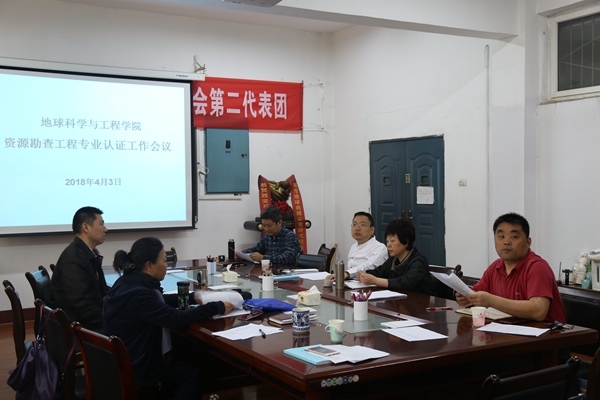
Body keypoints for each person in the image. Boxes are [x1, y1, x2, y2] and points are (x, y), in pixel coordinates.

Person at [103, 237, 237, 399]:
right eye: (164, 261)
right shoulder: (139, 295)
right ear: (149, 266)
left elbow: (159, 302)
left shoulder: (128, 282)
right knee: (192, 374)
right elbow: (177, 319)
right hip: (140, 372)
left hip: (126, 363)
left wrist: (194, 297)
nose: (167, 265)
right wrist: (216, 307)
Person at [456, 212, 566, 323]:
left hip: (546, 332)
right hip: (509, 329)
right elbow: (476, 293)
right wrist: (467, 299)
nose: (506, 242)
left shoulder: (537, 267)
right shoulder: (495, 267)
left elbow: (538, 311)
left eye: (514, 237)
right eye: (501, 237)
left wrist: (490, 300)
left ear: (528, 242)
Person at [50, 206, 109, 332]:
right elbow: (83, 308)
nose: (106, 229)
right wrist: (112, 318)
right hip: (79, 329)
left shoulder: (85, 253)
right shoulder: (74, 260)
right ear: (86, 227)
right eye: (101, 224)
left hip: (86, 322)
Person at [356, 217, 436, 295]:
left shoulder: (418, 261)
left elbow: (405, 283)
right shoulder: (394, 259)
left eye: (392, 241)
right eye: (387, 241)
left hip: (421, 301)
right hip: (400, 300)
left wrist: (375, 281)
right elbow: (379, 272)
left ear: (406, 242)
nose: (388, 245)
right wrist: (363, 274)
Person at [326, 211, 388, 281]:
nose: (357, 228)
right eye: (354, 224)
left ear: (372, 230)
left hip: (369, 286)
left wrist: (347, 274)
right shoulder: (353, 246)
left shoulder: (380, 248)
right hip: (351, 284)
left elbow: (370, 265)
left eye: (362, 225)